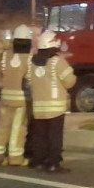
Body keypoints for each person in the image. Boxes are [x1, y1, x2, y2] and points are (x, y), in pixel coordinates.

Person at [27, 30, 76, 172]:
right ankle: (54, 163)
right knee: (55, 136)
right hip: (55, 108)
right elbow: (70, 81)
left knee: (39, 135)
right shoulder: (58, 62)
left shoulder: (32, 62)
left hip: (38, 107)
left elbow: (29, 81)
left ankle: (37, 161)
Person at [0, 24, 33, 166]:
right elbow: (30, 80)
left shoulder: (5, 55)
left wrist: (0, 87)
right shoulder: (29, 58)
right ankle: (15, 157)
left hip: (6, 98)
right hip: (22, 100)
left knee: (2, 126)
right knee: (18, 128)